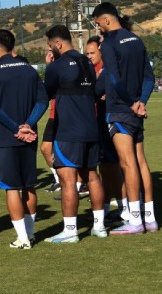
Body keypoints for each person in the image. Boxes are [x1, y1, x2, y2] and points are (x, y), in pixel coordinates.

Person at [92, 2, 157, 234]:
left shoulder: (109, 43)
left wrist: (131, 103)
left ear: (106, 20)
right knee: (140, 161)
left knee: (127, 163)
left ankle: (135, 221)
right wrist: (141, 102)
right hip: (136, 110)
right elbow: (149, 77)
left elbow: (115, 79)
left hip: (120, 109)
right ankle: (150, 218)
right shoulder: (136, 39)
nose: (98, 28)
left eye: (98, 24)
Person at [0, 29, 47, 249]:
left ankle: (23, 238)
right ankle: (30, 233)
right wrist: (28, 124)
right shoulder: (29, 70)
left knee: (11, 188)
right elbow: (42, 101)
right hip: (29, 136)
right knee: (29, 185)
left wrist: (16, 128)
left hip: (6, 138)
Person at [43, 25, 106, 243]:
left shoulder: (56, 66)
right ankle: (99, 226)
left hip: (68, 131)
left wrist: (49, 68)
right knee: (92, 175)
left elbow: (46, 93)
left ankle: (70, 231)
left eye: (50, 45)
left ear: (57, 43)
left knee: (67, 179)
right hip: (91, 128)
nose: (50, 49)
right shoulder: (87, 62)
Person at [87, 36, 128, 224]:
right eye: (87, 53)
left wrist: (101, 90)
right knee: (105, 167)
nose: (89, 56)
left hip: (107, 121)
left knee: (113, 165)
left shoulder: (107, 69)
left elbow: (98, 90)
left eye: (92, 53)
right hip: (98, 121)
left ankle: (125, 209)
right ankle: (107, 208)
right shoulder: (93, 70)